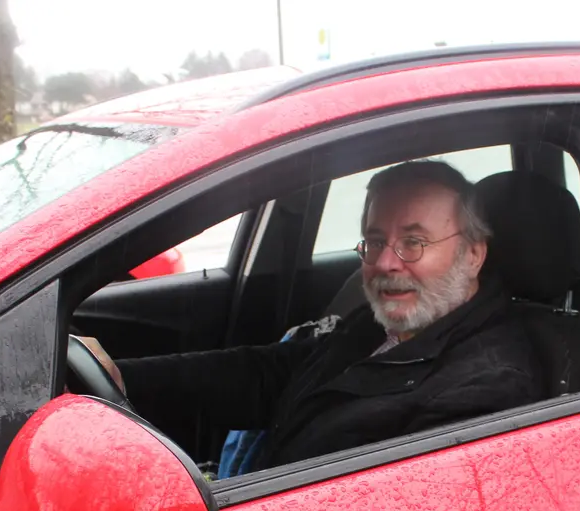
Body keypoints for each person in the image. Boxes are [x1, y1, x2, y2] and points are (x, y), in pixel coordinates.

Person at [115, 160, 546, 472]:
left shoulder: (486, 391)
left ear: (472, 254)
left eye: (413, 242)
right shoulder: (386, 326)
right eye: (375, 242)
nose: (386, 263)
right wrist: (120, 379)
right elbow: (270, 373)